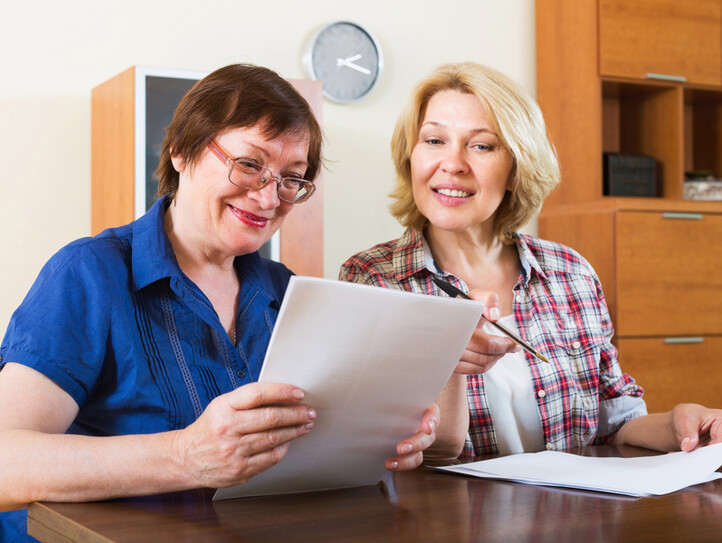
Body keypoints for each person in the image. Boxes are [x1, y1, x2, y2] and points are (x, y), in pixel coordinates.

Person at [0, 64, 439, 541]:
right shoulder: (89, 273)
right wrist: (185, 456)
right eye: (249, 164)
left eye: (291, 179)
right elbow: (6, 462)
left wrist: (380, 439)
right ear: (181, 152)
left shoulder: (287, 291)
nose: (269, 197)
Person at [340, 62, 722, 461]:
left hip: (572, 519)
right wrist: (447, 357)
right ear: (411, 157)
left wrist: (681, 422)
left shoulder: (570, 272)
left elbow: (615, 421)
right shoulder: (372, 279)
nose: (452, 163)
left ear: (514, 169)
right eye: (434, 141)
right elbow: (403, 452)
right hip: (441, 522)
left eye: (481, 145)